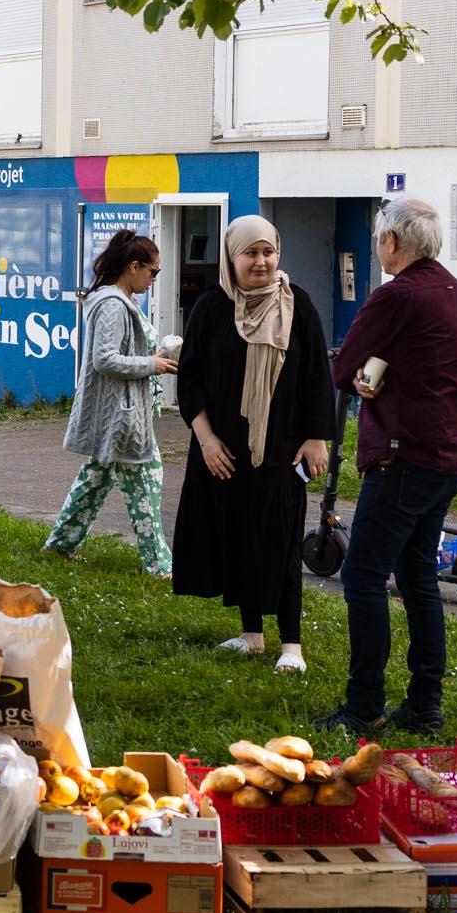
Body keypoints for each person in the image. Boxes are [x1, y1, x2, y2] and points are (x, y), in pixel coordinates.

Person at [314, 195, 457, 737]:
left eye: (378, 239)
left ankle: (364, 705)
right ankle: (425, 704)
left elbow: (344, 368)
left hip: (402, 455)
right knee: (416, 575)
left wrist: (364, 374)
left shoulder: (395, 295)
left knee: (363, 574)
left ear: (391, 241)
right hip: (447, 453)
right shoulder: (455, 291)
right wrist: (376, 374)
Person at [170, 215, 336, 672]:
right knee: (238, 536)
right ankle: (252, 635)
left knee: (281, 540)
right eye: (251, 253)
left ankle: (292, 646)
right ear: (231, 257)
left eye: (268, 252)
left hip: (282, 448)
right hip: (224, 449)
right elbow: (190, 378)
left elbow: (317, 376)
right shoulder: (212, 306)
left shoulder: (298, 304)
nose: (261, 262)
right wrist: (205, 439)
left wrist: (316, 437)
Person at [46, 230, 178, 575]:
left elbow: (120, 353)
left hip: (122, 412)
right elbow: (105, 359)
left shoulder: (121, 301)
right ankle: (159, 565)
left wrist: (154, 357)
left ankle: (61, 544)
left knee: (95, 480)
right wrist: (151, 365)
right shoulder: (113, 305)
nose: (154, 279)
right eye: (153, 271)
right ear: (134, 267)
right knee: (147, 481)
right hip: (122, 416)